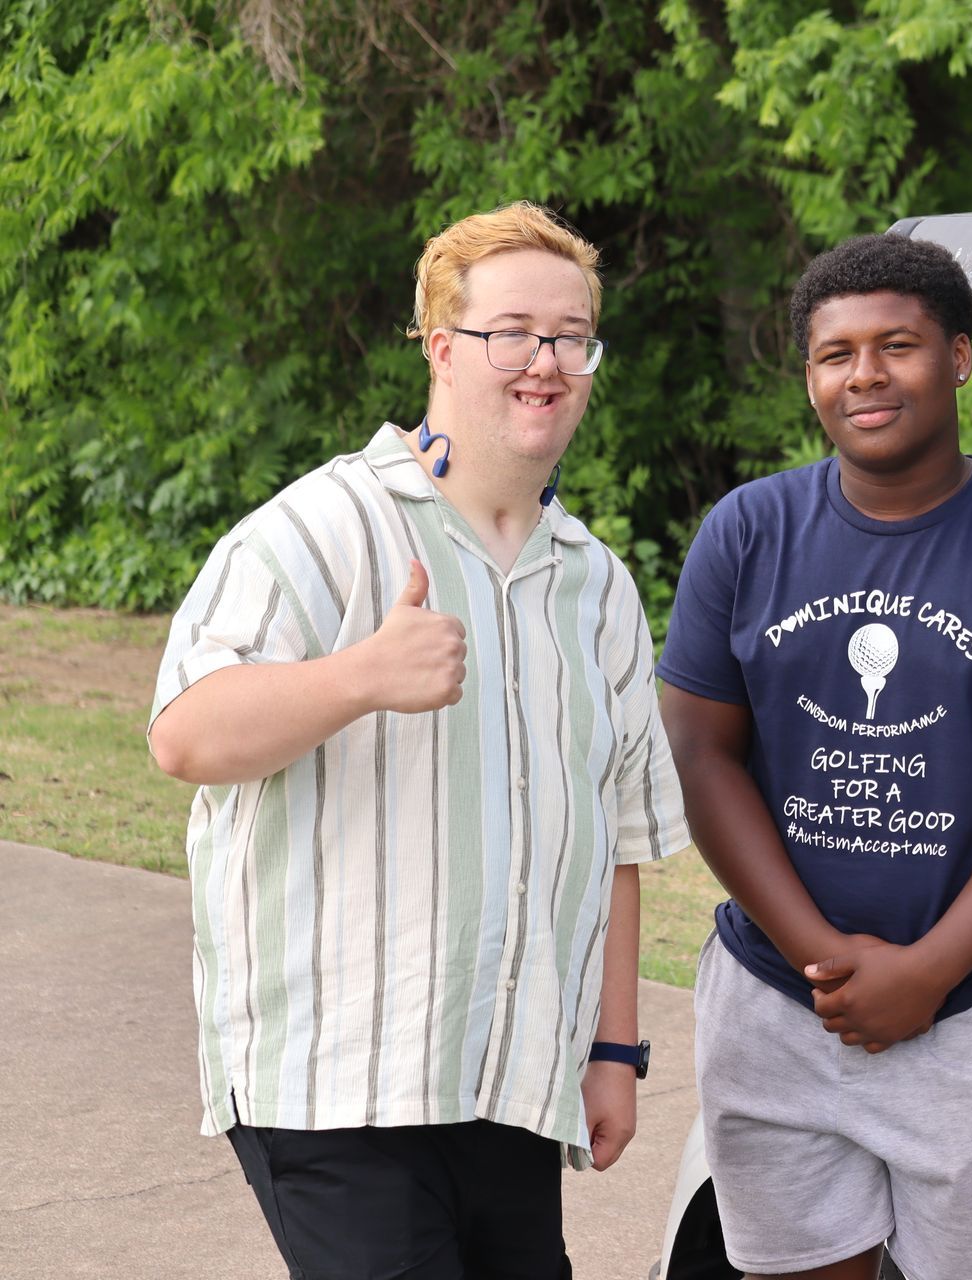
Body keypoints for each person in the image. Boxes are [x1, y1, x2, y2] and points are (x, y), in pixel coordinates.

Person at [147, 201, 688, 1279]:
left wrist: (614, 1049)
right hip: (341, 1079)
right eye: (512, 332)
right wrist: (358, 676)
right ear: (442, 346)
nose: (545, 360)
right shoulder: (318, 529)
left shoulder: (595, 584)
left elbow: (617, 836)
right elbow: (184, 734)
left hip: (512, 1080)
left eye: (571, 335)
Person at [656, 232, 972, 1280]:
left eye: (896, 345)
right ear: (809, 375)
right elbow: (703, 753)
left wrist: (931, 968)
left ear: (958, 356)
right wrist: (821, 953)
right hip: (779, 1004)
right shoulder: (747, 531)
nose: (865, 374)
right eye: (835, 353)